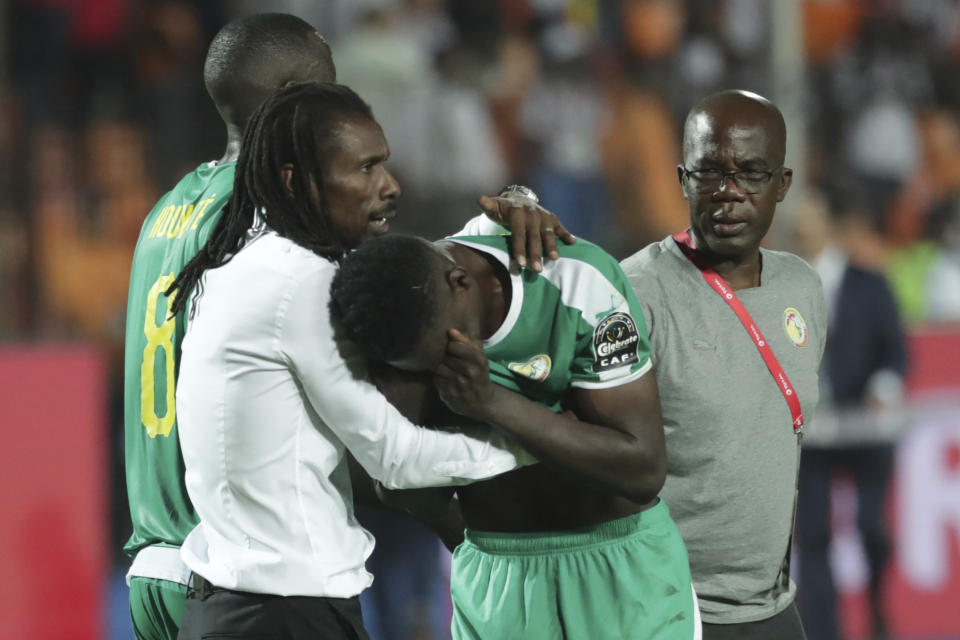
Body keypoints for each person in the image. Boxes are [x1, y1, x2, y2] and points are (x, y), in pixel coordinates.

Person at [122, 14, 567, 640]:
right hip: (248, 570)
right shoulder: (262, 224)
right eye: (324, 95)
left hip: (164, 565)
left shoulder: (171, 211)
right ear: (291, 117)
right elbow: (396, 293)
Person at [330, 233, 700, 639]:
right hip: (497, 578)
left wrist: (491, 403)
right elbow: (402, 486)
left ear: (460, 282)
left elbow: (643, 470)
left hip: (623, 574)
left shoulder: (571, 278)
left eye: (448, 344)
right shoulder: (392, 316)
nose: (449, 360)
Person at [122, 14, 336, 640]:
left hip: (152, 566)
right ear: (297, 97)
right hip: (230, 576)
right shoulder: (270, 213)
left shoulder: (168, 208)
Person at [619, 90, 827, 640]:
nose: (728, 192)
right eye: (709, 172)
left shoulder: (801, 287)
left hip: (774, 606)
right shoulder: (635, 293)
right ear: (683, 178)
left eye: (750, 173)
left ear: (782, 184)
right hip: (666, 610)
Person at [793, 186, 908, 640]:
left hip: (865, 428)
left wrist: (884, 384)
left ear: (830, 225)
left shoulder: (868, 281)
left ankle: (879, 608)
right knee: (814, 534)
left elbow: (895, 350)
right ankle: (825, 631)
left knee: (871, 526)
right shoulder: (784, 289)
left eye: (810, 220)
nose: (802, 231)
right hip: (815, 434)